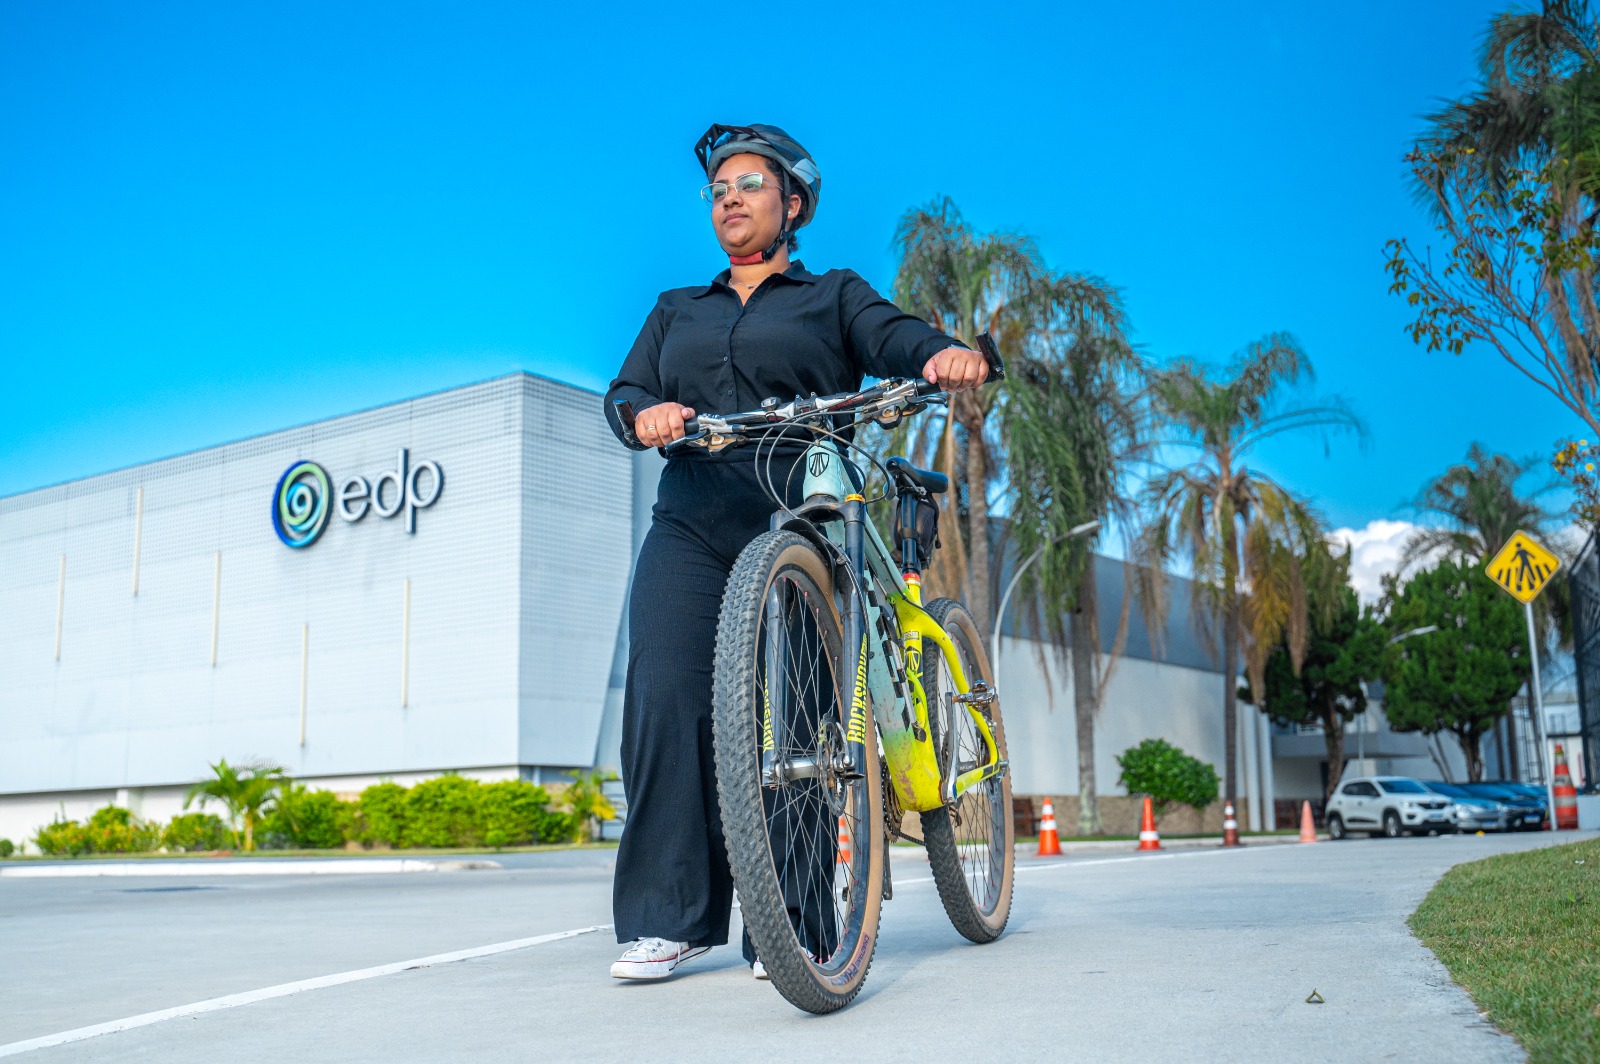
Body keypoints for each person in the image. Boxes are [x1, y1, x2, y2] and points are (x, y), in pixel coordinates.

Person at [602, 123, 988, 981]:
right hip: (696, 513)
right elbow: (627, 390)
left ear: (793, 203)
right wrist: (644, 414)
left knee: (803, 711)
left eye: (747, 184)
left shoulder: (832, 295)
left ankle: (799, 921)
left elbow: (897, 339)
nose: (728, 199)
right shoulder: (676, 310)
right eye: (717, 191)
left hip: (804, 512)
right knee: (664, 694)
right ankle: (667, 920)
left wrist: (943, 356)